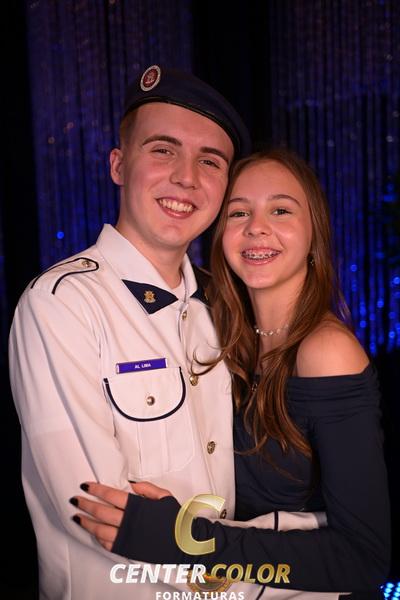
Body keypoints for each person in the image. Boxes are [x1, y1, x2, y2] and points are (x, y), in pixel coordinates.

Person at [71, 149, 391, 598]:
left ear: (314, 231)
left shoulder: (325, 351)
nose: (256, 227)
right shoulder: (224, 334)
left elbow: (362, 560)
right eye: (239, 212)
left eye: (280, 210)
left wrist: (186, 539)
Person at [9, 64, 262, 599]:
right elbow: (100, 511)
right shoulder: (62, 304)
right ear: (119, 165)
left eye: (209, 161)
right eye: (163, 150)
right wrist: (272, 568)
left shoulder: (229, 305)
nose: (186, 178)